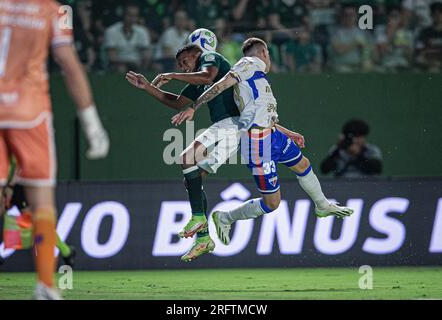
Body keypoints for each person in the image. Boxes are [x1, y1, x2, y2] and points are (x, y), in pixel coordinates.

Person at [172, 38, 354, 247]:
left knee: (302, 164)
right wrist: (194, 107)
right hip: (258, 143)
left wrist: (287, 131)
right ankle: (225, 218)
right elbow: (220, 86)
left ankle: (322, 205)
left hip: (272, 134)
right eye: (267, 54)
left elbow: (258, 111)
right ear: (265, 53)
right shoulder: (248, 64)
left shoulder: (256, 78)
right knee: (272, 203)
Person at [0, 0, 110, 300]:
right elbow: (68, 64)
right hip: (31, 114)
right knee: (42, 203)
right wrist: (91, 122)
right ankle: (45, 285)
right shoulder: (51, 10)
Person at [126, 44, 240, 261]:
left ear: (196, 54)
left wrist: (172, 74)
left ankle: (199, 219)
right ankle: (203, 238)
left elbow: (207, 77)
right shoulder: (195, 79)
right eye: (180, 65)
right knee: (193, 180)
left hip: (234, 123)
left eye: (185, 61)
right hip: (225, 126)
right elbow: (176, 102)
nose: (183, 67)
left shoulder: (210, 58)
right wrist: (147, 87)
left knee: (187, 159)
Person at [0, 158, 76, 268]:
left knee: (36, 222)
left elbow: (19, 165)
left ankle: (66, 251)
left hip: (18, 186)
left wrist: (10, 187)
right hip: (5, 186)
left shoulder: (11, 142)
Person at [104, 2, 152, 72]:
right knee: (121, 68)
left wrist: (143, 67)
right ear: (123, 15)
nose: (132, 18)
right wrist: (130, 63)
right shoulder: (111, 31)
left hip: (138, 64)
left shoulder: (142, 31)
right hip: (118, 64)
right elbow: (112, 57)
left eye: (135, 16)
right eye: (129, 15)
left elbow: (146, 54)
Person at [415, 2, 442, 73]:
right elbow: (419, 52)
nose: (438, 16)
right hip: (429, 62)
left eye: (440, 13)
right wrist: (431, 63)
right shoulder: (425, 32)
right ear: (431, 15)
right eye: (435, 14)